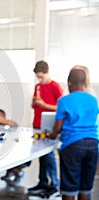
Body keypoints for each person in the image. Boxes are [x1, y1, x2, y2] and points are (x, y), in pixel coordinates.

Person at [49, 67, 99, 200]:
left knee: (69, 190)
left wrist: (51, 135)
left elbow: (57, 128)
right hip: (93, 145)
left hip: (73, 145)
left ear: (69, 82)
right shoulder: (94, 100)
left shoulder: (64, 101)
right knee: (86, 188)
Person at [28, 60, 63, 197]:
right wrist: (35, 102)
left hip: (50, 127)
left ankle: (55, 185)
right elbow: (34, 106)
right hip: (37, 124)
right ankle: (42, 182)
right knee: (41, 156)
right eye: (38, 76)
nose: (39, 79)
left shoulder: (55, 87)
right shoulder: (37, 86)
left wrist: (44, 104)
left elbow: (61, 108)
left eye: (41, 76)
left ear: (47, 73)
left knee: (49, 155)